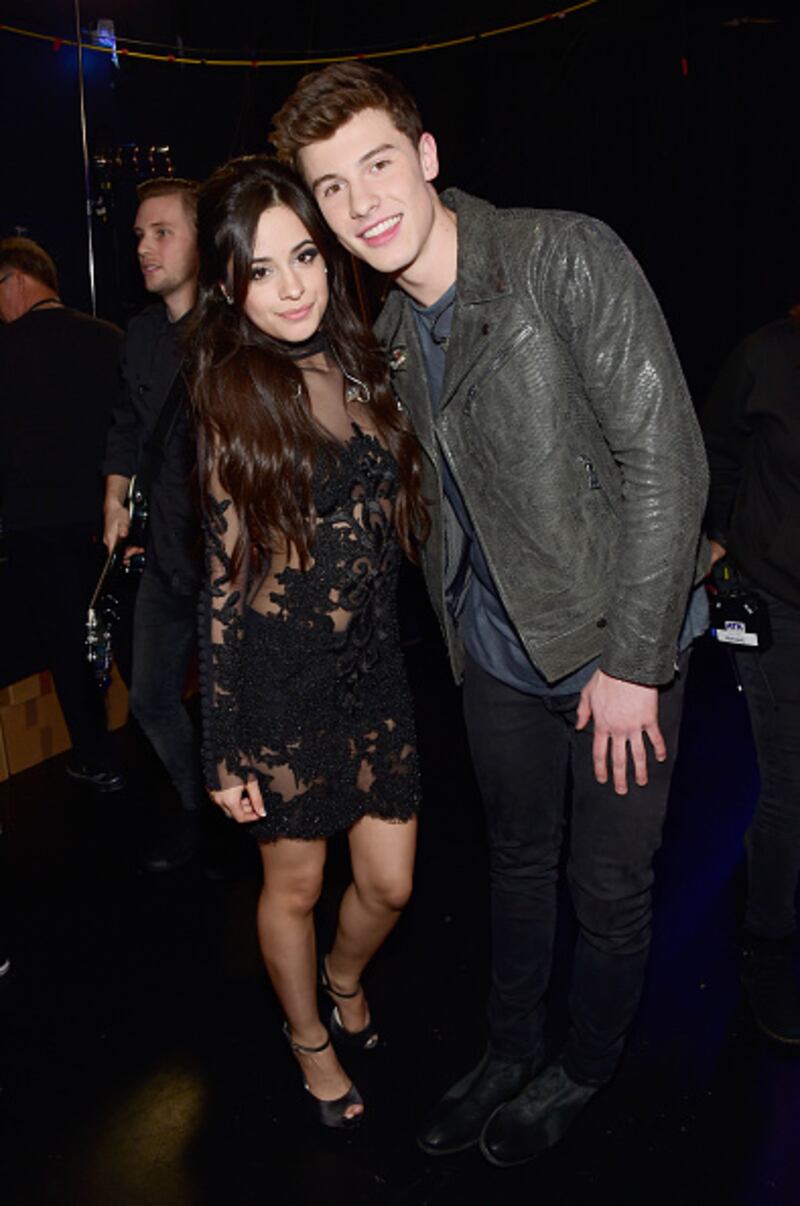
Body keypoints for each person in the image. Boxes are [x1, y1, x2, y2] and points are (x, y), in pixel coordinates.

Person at [271, 62, 710, 1164]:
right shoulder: (387, 333)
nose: (362, 201)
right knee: (514, 866)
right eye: (331, 187)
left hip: (617, 647)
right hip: (496, 654)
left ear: (426, 158)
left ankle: (584, 1064)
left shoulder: (559, 254)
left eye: (378, 163)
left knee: (607, 889)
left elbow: (668, 462)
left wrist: (635, 661)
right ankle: (509, 1048)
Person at [187, 154, 428, 1127]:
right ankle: (307, 1038)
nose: (290, 287)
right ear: (228, 287)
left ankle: (342, 976)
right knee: (295, 885)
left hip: (373, 671)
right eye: (261, 269)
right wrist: (222, 747)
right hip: (281, 683)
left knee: (390, 884)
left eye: (304, 258)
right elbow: (222, 583)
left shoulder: (361, 363)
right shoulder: (231, 398)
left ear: (329, 260)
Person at [102, 178, 207, 871]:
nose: (145, 246)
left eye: (162, 232)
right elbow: (126, 424)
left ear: (202, 240)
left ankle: (251, 819)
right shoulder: (140, 334)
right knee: (149, 699)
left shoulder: (235, 331)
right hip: (165, 555)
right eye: (140, 234)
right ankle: (197, 806)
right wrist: (114, 497)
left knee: (233, 706)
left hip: (229, 559)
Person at [702, 307, 800, 1044]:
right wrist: (715, 543)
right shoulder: (770, 355)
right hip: (776, 597)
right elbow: (716, 450)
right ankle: (768, 939)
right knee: (791, 785)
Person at [0, 237, 124, 791]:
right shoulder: (110, 338)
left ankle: (97, 758)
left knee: (66, 644)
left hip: (37, 524)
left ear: (18, 278)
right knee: (129, 637)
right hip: (109, 520)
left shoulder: (6, 350)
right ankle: (161, 752)